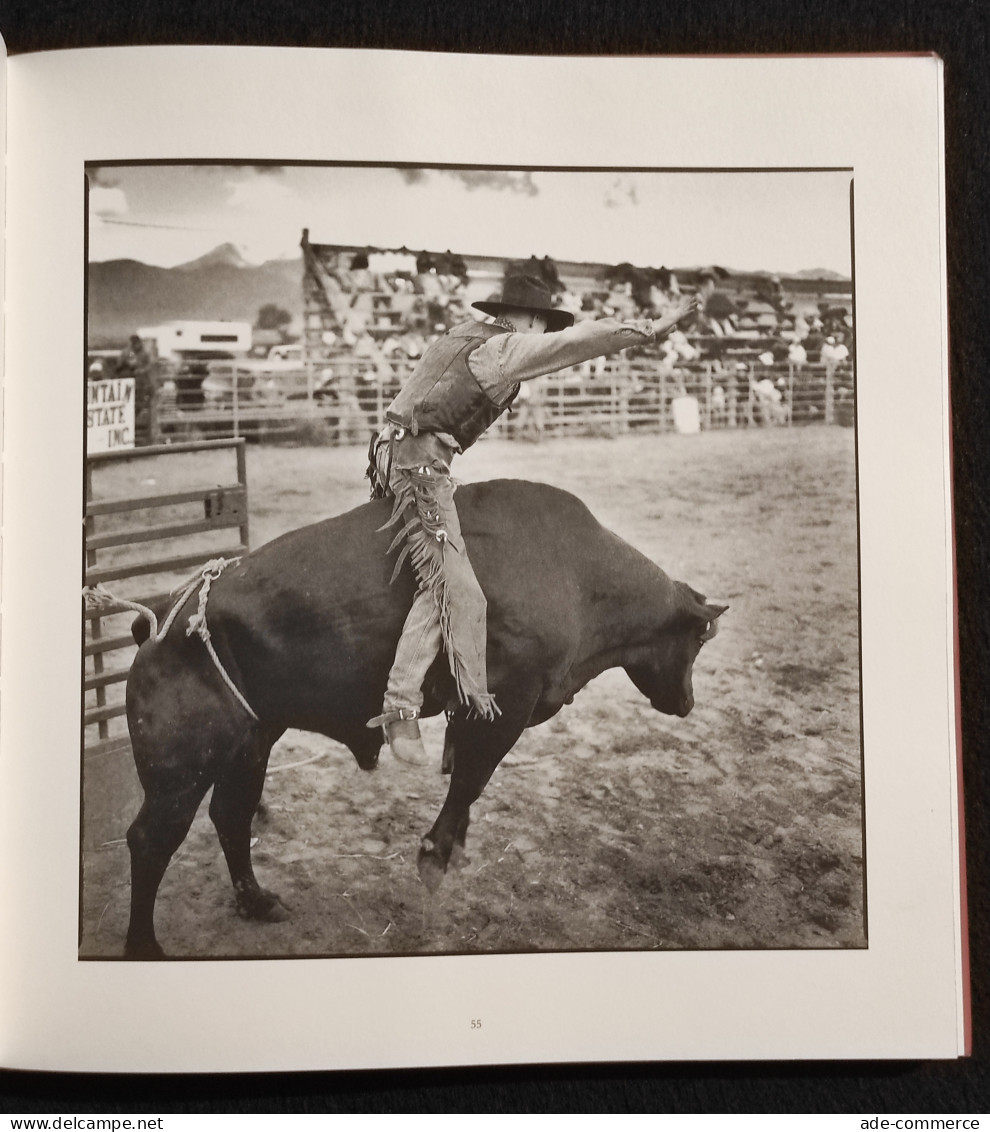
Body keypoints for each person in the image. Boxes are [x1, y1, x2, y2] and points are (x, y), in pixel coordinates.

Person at [366, 273, 699, 766]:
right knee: (456, 585)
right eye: (540, 321)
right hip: (420, 466)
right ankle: (401, 707)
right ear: (524, 317)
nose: (541, 331)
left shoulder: (462, 333)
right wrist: (646, 330)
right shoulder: (504, 351)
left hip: (390, 453)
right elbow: (577, 341)